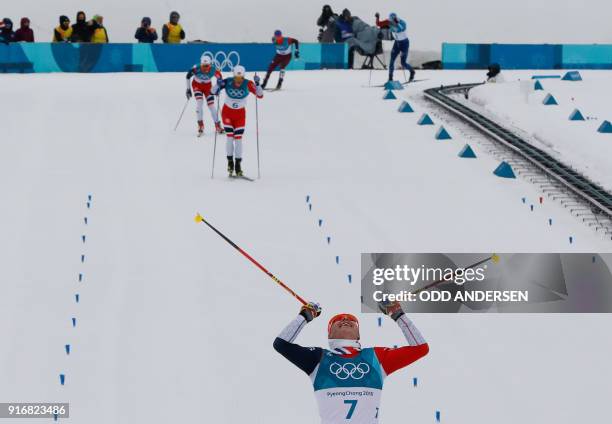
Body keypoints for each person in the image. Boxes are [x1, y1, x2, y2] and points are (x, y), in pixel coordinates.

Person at [273, 300, 429, 423]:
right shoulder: (317, 358)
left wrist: (398, 315)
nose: (346, 319)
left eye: (352, 321)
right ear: (330, 334)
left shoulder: (376, 357)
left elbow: (421, 348)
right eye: (337, 320)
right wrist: (304, 316)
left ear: (358, 334)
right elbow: (281, 344)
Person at [212, 66, 264, 177]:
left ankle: (238, 165)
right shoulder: (228, 81)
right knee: (230, 138)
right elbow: (212, 92)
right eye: (236, 78)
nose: (238, 81)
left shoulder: (248, 83)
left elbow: (260, 95)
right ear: (233, 76)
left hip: (240, 115)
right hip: (227, 113)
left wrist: (258, 84)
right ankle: (230, 162)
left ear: (243, 76)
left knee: (239, 139)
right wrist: (218, 84)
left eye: (240, 78)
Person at [185, 54, 224, 136]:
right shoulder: (196, 68)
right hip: (197, 86)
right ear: (201, 64)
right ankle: (200, 125)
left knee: (212, 106)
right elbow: (188, 76)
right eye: (203, 66)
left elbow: (220, 79)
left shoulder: (213, 70)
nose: (205, 68)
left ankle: (217, 126)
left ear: (210, 65)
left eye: (207, 66)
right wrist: (188, 89)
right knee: (199, 103)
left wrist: (218, 88)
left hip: (207, 87)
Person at [376, 12, 414, 83]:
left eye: (393, 21)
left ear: (396, 19)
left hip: (404, 44)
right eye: (390, 21)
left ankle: (412, 72)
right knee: (391, 61)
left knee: (403, 63)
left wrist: (395, 24)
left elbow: (400, 29)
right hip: (396, 43)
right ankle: (390, 78)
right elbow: (379, 24)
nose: (391, 22)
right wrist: (377, 18)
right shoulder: (389, 21)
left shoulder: (402, 22)